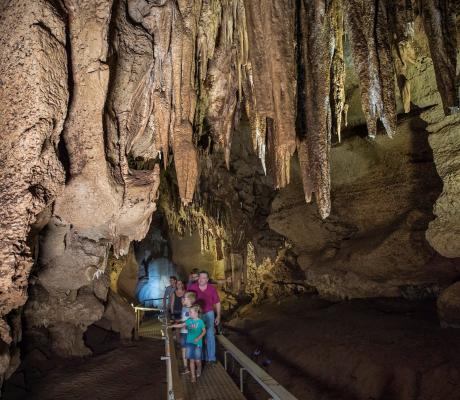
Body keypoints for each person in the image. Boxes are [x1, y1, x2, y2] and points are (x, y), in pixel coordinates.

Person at [187, 271, 221, 365]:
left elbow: (217, 302)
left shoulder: (211, 289)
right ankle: (200, 357)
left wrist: (218, 315)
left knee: (210, 335)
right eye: (200, 277)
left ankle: (211, 358)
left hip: (209, 313)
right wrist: (189, 314)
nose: (201, 279)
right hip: (197, 314)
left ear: (207, 279)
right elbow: (187, 300)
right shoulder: (193, 287)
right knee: (198, 335)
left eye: (203, 278)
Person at [170, 305, 206, 383]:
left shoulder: (200, 322)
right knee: (191, 360)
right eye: (189, 312)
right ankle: (193, 376)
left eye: (191, 312)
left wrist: (198, 338)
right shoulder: (189, 320)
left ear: (196, 313)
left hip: (198, 344)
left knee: (197, 361)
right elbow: (181, 325)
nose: (189, 313)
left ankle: (199, 368)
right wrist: (172, 325)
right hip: (189, 343)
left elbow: (204, 331)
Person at [177, 291, 196, 373]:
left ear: (189, 300)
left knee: (191, 349)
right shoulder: (183, 308)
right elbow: (183, 318)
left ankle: (193, 367)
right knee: (183, 349)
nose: (183, 299)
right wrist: (177, 321)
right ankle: (185, 367)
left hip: (190, 333)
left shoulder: (194, 309)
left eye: (185, 298)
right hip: (183, 332)